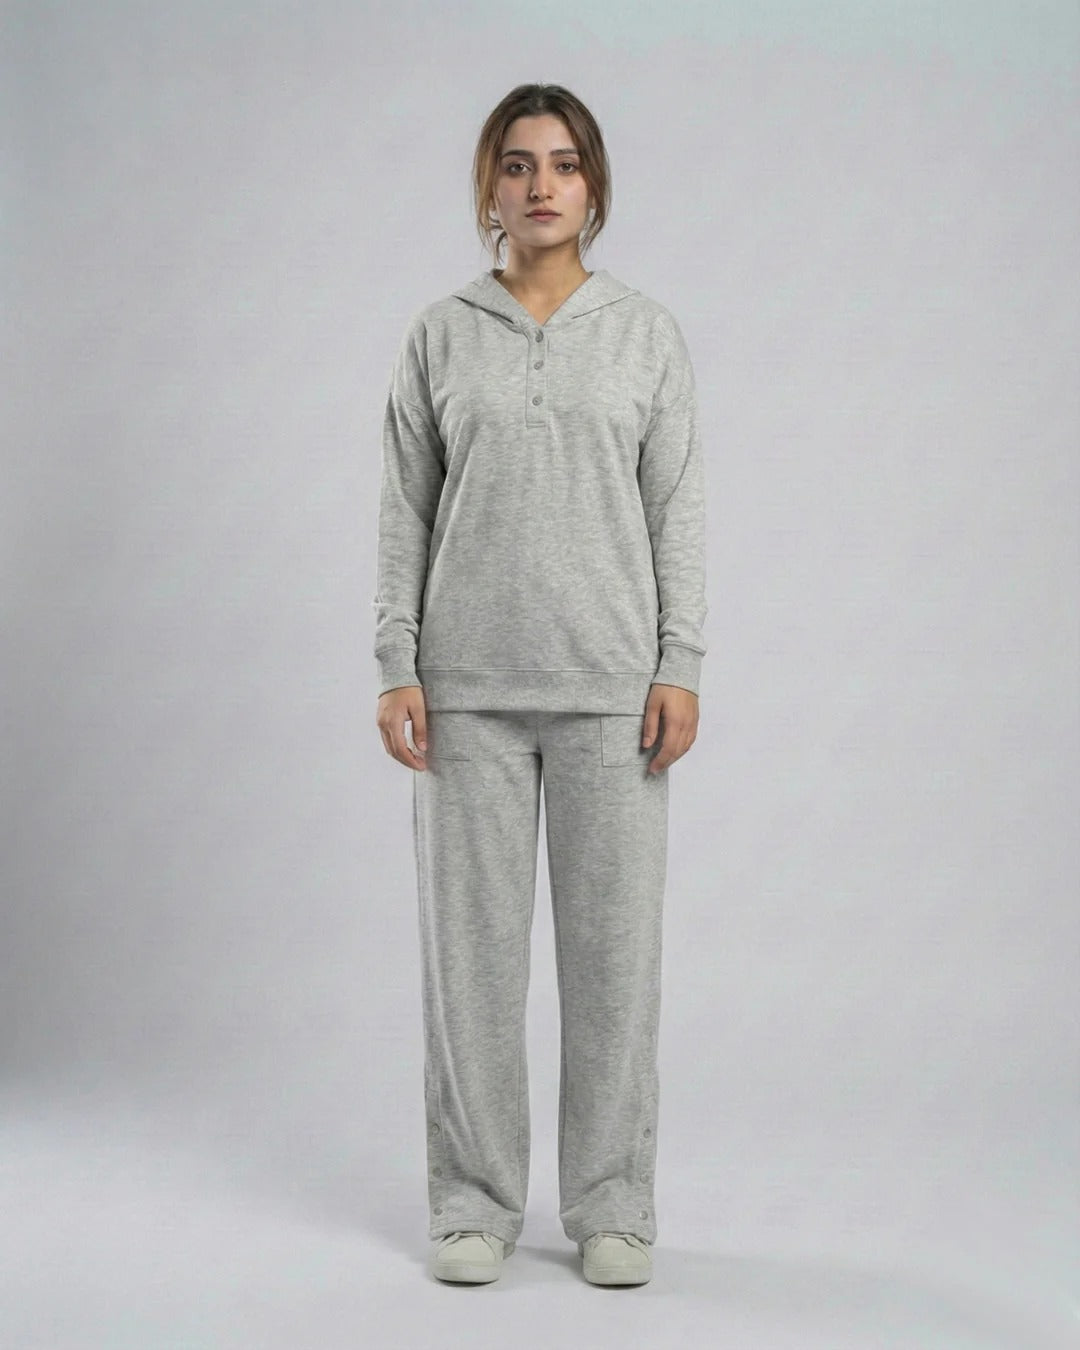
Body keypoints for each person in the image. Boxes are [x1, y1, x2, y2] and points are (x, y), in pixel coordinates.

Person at [373, 83, 707, 1287]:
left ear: (594, 184)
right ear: (490, 187)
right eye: (518, 165)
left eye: (564, 163)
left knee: (614, 968)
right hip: (464, 692)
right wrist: (396, 662)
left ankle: (613, 1206)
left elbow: (677, 510)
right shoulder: (439, 335)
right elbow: (405, 510)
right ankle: (472, 1204)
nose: (542, 185)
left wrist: (680, 664)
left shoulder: (646, 334)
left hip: (613, 692)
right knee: (471, 971)